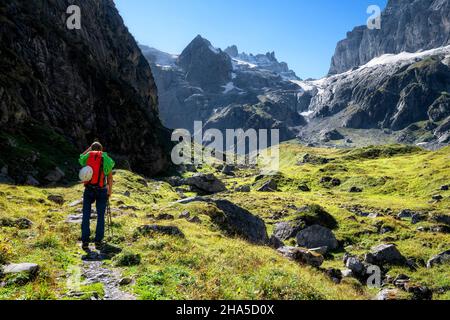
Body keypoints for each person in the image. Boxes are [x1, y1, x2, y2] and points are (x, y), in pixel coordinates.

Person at [79, 141, 115, 251]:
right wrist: (109, 191)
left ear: (92, 149)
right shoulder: (105, 158)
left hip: (89, 189)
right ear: (101, 149)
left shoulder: (87, 157)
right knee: (100, 216)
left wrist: (89, 149)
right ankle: (98, 241)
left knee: (86, 214)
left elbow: (80, 158)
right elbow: (109, 177)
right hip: (101, 190)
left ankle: (85, 241)